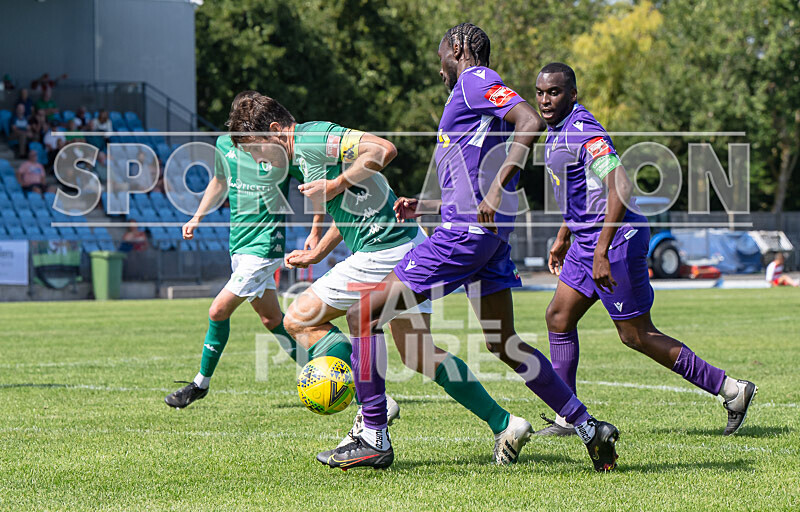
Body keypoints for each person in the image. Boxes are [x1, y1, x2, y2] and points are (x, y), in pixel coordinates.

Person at [315, 23, 620, 472]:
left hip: (465, 238)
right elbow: (476, 175)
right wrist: (431, 204)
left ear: (456, 48)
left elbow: (529, 122)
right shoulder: (473, 98)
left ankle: (373, 434)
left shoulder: (474, 80)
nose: (439, 67)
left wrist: (496, 190)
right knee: (504, 342)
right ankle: (590, 428)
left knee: (364, 313)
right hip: (486, 238)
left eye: (441, 55)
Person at [229, 91, 532, 467]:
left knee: (298, 318)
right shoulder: (304, 151)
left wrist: (335, 185)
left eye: (256, 151)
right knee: (421, 354)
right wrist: (320, 249)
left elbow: (383, 149)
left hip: (382, 252)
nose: (259, 161)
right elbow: (361, 205)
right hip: (404, 246)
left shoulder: (312, 138)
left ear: (274, 132)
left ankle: (370, 410)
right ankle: (505, 423)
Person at [533, 62, 757, 438]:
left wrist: (602, 251)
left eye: (554, 92)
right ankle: (568, 416)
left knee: (635, 334)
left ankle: (732, 390)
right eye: (539, 92)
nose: (545, 99)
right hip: (586, 242)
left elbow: (620, 187)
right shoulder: (556, 133)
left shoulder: (584, 131)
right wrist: (563, 236)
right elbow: (581, 195)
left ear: (573, 95)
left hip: (616, 240)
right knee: (558, 318)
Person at [164, 92, 315, 409]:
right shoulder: (225, 145)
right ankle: (328, 373)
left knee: (217, 311)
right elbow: (219, 180)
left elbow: (318, 181)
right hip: (239, 246)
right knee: (273, 321)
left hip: (264, 247)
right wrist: (198, 216)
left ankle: (199, 384)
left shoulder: (278, 151)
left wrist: (316, 228)